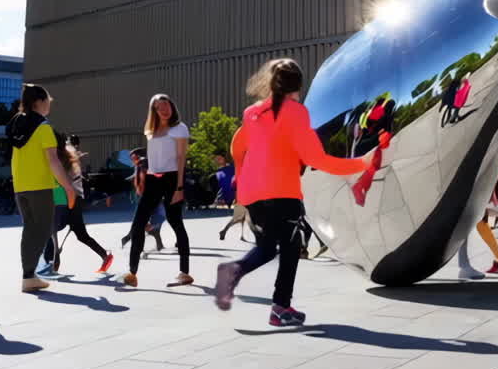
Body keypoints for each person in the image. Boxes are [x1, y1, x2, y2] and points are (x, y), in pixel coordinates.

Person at [214, 58, 371, 326]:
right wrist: (362, 163)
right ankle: (244, 278)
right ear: (298, 83)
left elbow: (237, 147)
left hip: (253, 193)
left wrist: (240, 175)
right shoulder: (296, 112)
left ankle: (277, 305)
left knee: (275, 246)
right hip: (281, 192)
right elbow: (317, 160)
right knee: (285, 247)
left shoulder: (253, 112)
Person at [7, 84, 77, 292]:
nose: (49, 105)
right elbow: (53, 161)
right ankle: (29, 275)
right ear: (40, 102)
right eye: (48, 101)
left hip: (20, 185)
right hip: (40, 185)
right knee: (44, 229)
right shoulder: (43, 127)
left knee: (29, 229)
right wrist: (68, 188)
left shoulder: (16, 123)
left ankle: (29, 275)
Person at [123, 94, 192, 287]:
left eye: (167, 105)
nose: (164, 109)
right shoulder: (150, 130)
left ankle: (184, 272)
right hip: (153, 179)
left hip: (172, 178)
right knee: (138, 224)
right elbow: (152, 159)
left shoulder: (179, 128)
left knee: (176, 222)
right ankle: (132, 273)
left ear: (172, 106)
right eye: (159, 107)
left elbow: (180, 158)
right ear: (153, 111)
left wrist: (179, 187)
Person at [43, 133, 114, 274]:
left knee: (51, 231)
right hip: (74, 199)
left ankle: (51, 264)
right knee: (79, 234)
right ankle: (104, 255)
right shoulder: (68, 156)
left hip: (67, 200)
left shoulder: (59, 159)